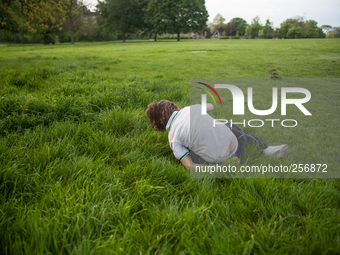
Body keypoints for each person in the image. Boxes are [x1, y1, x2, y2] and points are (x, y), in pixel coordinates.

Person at [146, 100, 288, 170]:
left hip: (219, 160)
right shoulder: (191, 108)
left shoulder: (172, 139)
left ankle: (226, 166)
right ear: (177, 107)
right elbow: (210, 106)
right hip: (235, 142)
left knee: (190, 151)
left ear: (161, 128)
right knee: (229, 126)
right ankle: (264, 149)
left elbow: (189, 165)